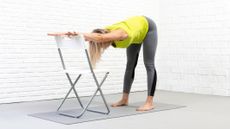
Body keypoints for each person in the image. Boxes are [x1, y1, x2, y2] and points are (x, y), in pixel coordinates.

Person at [48, 16, 158, 111]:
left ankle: (149, 102)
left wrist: (79, 33)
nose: (101, 48)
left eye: (100, 45)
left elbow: (100, 38)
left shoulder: (121, 34)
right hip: (136, 32)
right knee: (130, 65)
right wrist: (69, 35)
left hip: (148, 28)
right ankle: (124, 99)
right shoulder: (105, 32)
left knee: (149, 64)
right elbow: (94, 37)